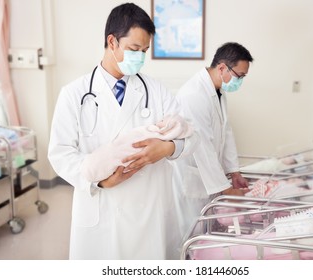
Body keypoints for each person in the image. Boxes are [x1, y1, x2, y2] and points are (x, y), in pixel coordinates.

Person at [48, 3, 197, 260]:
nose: (140, 56)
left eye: (145, 50)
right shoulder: (74, 93)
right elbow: (60, 154)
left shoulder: (156, 90)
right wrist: (101, 181)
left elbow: (190, 136)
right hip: (101, 205)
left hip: (148, 210)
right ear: (112, 42)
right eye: (134, 49)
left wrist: (167, 148)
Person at [171, 42, 253, 239]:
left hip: (207, 177)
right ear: (222, 67)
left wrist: (234, 171)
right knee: (192, 233)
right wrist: (226, 190)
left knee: (206, 231)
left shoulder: (217, 91)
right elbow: (202, 147)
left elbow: (226, 131)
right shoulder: (194, 95)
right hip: (192, 177)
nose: (240, 81)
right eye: (239, 76)